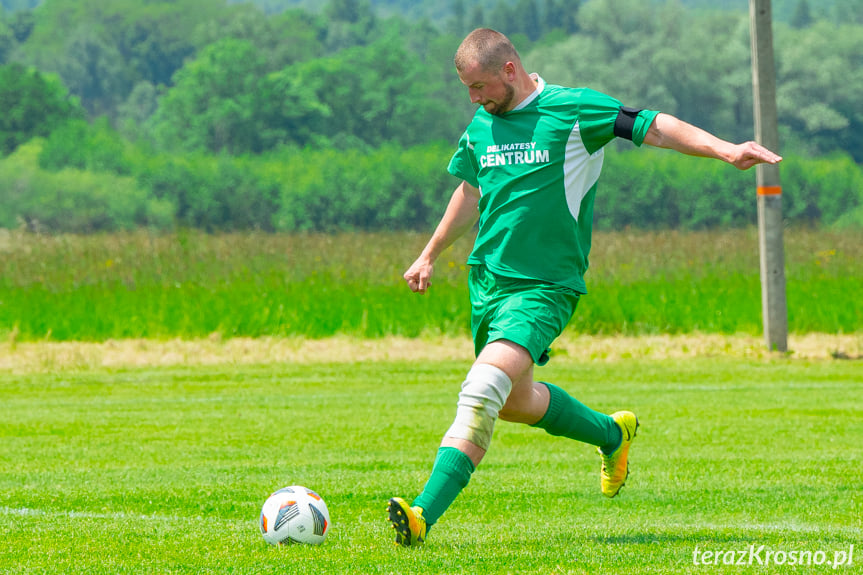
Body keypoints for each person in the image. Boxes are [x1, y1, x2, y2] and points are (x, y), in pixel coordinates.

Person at [387, 28, 782, 547]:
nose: (475, 99)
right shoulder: (482, 125)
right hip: (487, 284)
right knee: (510, 401)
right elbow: (470, 189)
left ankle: (421, 515)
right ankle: (610, 433)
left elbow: (653, 126)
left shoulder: (573, 110)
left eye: (480, 86)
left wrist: (725, 149)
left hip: (545, 287)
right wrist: (429, 253)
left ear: (510, 69)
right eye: (467, 90)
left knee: (481, 392)